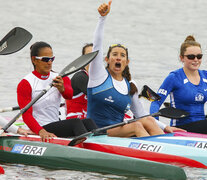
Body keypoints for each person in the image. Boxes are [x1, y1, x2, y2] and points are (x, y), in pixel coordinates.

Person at [87, 1, 180, 138]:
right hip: (97, 132)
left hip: (118, 132)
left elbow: (141, 114)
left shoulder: (130, 85)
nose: (118, 58)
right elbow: (97, 46)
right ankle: (156, 153)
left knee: (146, 120)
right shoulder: (98, 76)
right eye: (114, 55)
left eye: (122, 56)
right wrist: (102, 18)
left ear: (127, 62)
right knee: (137, 125)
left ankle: (169, 147)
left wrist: (166, 127)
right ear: (107, 59)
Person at [17, 41, 97, 141]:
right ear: (34, 60)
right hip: (39, 127)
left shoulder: (60, 77)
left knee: (89, 122)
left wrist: (62, 89)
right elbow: (26, 115)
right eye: (45, 59)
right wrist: (41, 131)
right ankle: (85, 148)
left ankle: (106, 146)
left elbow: (69, 96)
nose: (49, 62)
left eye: (52, 59)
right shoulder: (26, 83)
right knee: (75, 123)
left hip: (55, 124)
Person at [150, 35, 207, 134]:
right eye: (191, 57)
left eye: (199, 56)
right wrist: (157, 126)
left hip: (202, 125)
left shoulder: (205, 76)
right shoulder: (174, 77)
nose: (196, 60)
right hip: (182, 127)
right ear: (182, 58)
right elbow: (155, 102)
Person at [66, 43, 93, 119]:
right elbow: (98, 98)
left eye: (94, 55)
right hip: (76, 119)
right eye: (89, 55)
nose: (92, 58)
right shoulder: (81, 77)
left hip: (90, 119)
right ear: (83, 59)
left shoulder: (100, 77)